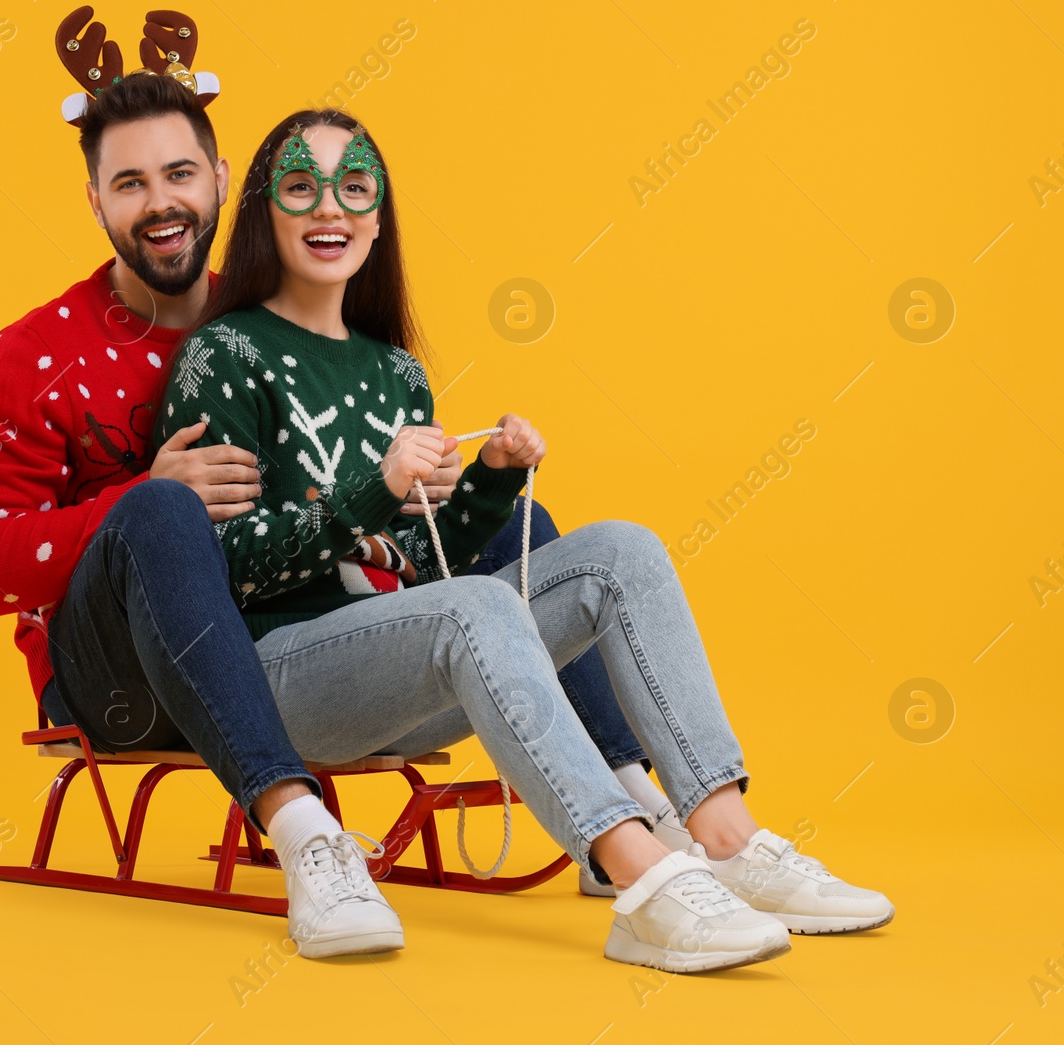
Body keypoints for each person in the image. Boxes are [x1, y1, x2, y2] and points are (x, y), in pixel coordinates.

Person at [159, 107, 896, 972]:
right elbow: (215, 573)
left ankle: (728, 837)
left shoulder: (396, 371)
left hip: (394, 669)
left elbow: (425, 565)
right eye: (301, 188)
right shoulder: (224, 353)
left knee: (622, 549)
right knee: (475, 603)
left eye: (355, 188)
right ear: (264, 212)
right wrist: (374, 487)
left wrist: (493, 478)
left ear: (379, 212)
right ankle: (643, 883)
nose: (332, 209)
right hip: (279, 677)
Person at [0, 7, 615, 959]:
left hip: (300, 636)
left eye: (179, 174)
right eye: (128, 183)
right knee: (163, 505)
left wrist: (440, 484)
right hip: (123, 682)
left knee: (522, 522)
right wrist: (135, 500)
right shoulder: (33, 357)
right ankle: (302, 830)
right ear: (95, 201)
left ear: (223, 183)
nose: (160, 202)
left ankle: (626, 804)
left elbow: (353, 495)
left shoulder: (273, 320)